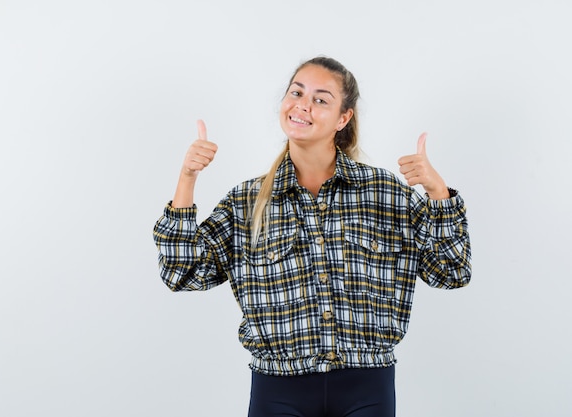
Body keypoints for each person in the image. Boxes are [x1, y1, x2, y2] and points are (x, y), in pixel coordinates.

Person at [153, 56, 471, 417]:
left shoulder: (386, 193)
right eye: (297, 92)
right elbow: (181, 273)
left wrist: (437, 192)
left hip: (367, 387)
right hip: (278, 390)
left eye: (321, 99)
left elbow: (452, 272)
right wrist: (187, 178)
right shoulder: (246, 202)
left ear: (343, 118)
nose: (303, 105)